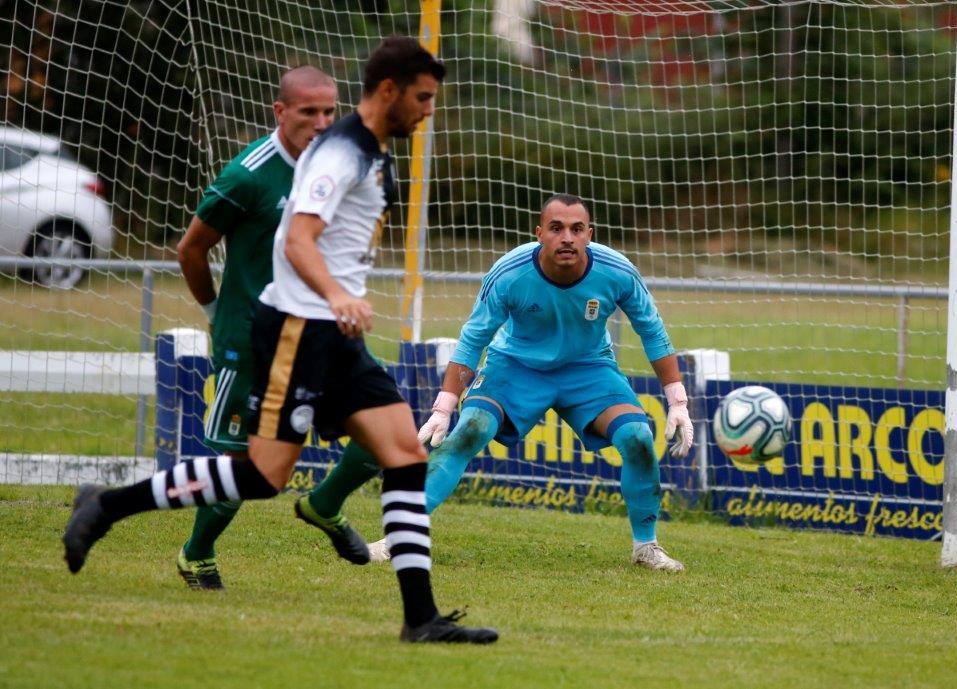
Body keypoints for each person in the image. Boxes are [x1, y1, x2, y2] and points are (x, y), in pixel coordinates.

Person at [62, 36, 497, 644]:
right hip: (297, 329)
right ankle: (106, 506)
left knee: (404, 454)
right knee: (264, 475)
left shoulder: (372, 150)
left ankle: (420, 620)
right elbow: (297, 240)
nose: (429, 110)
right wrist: (337, 295)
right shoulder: (340, 153)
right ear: (390, 91)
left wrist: (339, 303)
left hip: (332, 336)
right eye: (423, 98)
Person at [367, 193, 694, 571]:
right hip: (515, 366)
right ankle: (399, 538)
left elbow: (652, 330)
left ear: (590, 234)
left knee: (637, 436)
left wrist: (678, 401)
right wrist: (443, 408)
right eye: (556, 228)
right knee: (470, 430)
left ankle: (646, 547)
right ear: (540, 234)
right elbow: (474, 339)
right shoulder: (510, 273)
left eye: (576, 229)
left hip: (588, 368)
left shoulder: (616, 271)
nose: (567, 237)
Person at [174, 65, 381, 590]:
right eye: (308, 111)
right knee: (247, 464)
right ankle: (196, 554)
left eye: (329, 111)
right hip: (253, 339)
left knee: (384, 433)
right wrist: (215, 313)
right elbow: (192, 248)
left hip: (323, 331)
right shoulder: (249, 174)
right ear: (280, 112)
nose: (320, 122)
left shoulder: (341, 163)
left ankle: (324, 505)